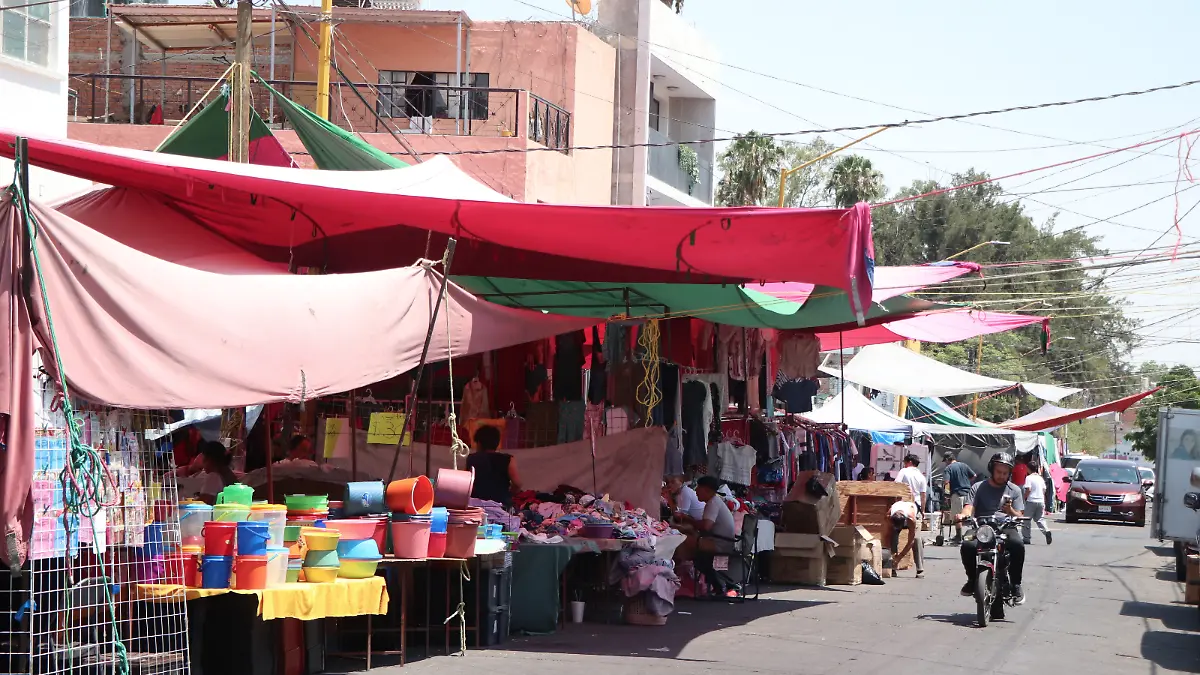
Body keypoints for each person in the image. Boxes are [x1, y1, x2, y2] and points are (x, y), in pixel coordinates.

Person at [956, 452, 1026, 604]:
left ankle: (1016, 585)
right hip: (981, 526)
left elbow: (1019, 515)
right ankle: (972, 580)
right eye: (999, 472)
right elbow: (969, 507)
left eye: (1005, 473)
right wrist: (962, 515)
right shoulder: (978, 487)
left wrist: (1010, 511)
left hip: (1005, 526)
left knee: (1017, 544)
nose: (1002, 476)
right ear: (991, 470)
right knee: (967, 544)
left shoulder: (1015, 490)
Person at [679, 476, 738, 596]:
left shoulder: (713, 503)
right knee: (697, 553)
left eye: (698, 489)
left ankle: (719, 584)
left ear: (706, 490)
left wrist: (687, 520)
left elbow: (706, 526)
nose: (695, 492)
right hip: (721, 540)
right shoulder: (715, 502)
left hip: (720, 543)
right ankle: (721, 584)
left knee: (684, 542)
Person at [465, 425, 520, 508]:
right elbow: (517, 484)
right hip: (501, 504)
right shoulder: (508, 459)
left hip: (476, 506)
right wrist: (508, 493)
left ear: (479, 443)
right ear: (497, 443)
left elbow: (465, 484)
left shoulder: (472, 459)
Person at [941, 452, 977, 545]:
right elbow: (974, 476)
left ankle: (959, 536)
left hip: (957, 494)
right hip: (969, 493)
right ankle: (974, 534)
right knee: (970, 516)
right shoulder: (964, 465)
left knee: (957, 516)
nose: (945, 463)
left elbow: (946, 482)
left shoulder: (948, 468)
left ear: (948, 459)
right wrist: (966, 483)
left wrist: (946, 494)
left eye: (945, 461)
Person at [885, 499, 924, 578]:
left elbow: (910, 541)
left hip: (916, 515)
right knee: (893, 537)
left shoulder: (911, 519)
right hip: (898, 516)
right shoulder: (889, 516)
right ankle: (892, 567)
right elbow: (887, 534)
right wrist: (892, 556)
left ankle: (920, 569)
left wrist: (899, 557)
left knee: (916, 539)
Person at [198, 441, 238, 505]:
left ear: (209, 460)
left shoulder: (213, 476)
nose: (202, 463)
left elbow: (204, 503)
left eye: (204, 459)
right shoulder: (227, 474)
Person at [1022, 459, 1052, 545]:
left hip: (1031, 500)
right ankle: (1046, 531)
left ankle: (1026, 538)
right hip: (1040, 500)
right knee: (1040, 519)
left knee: (1026, 520)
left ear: (1028, 468)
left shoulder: (1028, 478)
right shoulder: (1040, 478)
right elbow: (1044, 490)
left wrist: (1025, 497)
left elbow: (1028, 489)